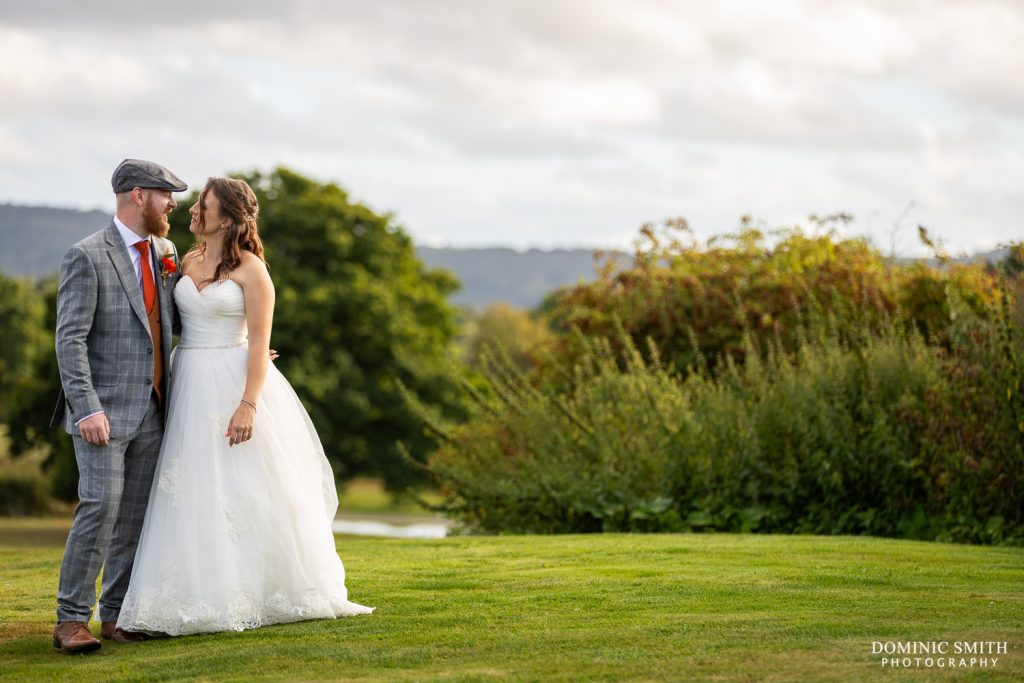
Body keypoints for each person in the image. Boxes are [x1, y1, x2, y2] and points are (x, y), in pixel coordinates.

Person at [116, 177, 373, 636]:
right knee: (188, 487)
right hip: (188, 379)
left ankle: (253, 588)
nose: (195, 209)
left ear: (229, 218)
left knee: (245, 490)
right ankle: (180, 596)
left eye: (205, 205)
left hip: (232, 382)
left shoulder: (252, 270)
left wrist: (248, 404)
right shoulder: (182, 257)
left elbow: (259, 344)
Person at [51, 159, 187, 653]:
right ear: (137, 196)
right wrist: (86, 407)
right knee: (100, 507)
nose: (173, 204)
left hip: (155, 408)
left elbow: (174, 324)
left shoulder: (166, 252)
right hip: (101, 414)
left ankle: (116, 615)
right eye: (165, 194)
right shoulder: (86, 256)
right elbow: (70, 340)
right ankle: (70, 621)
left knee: (134, 515)